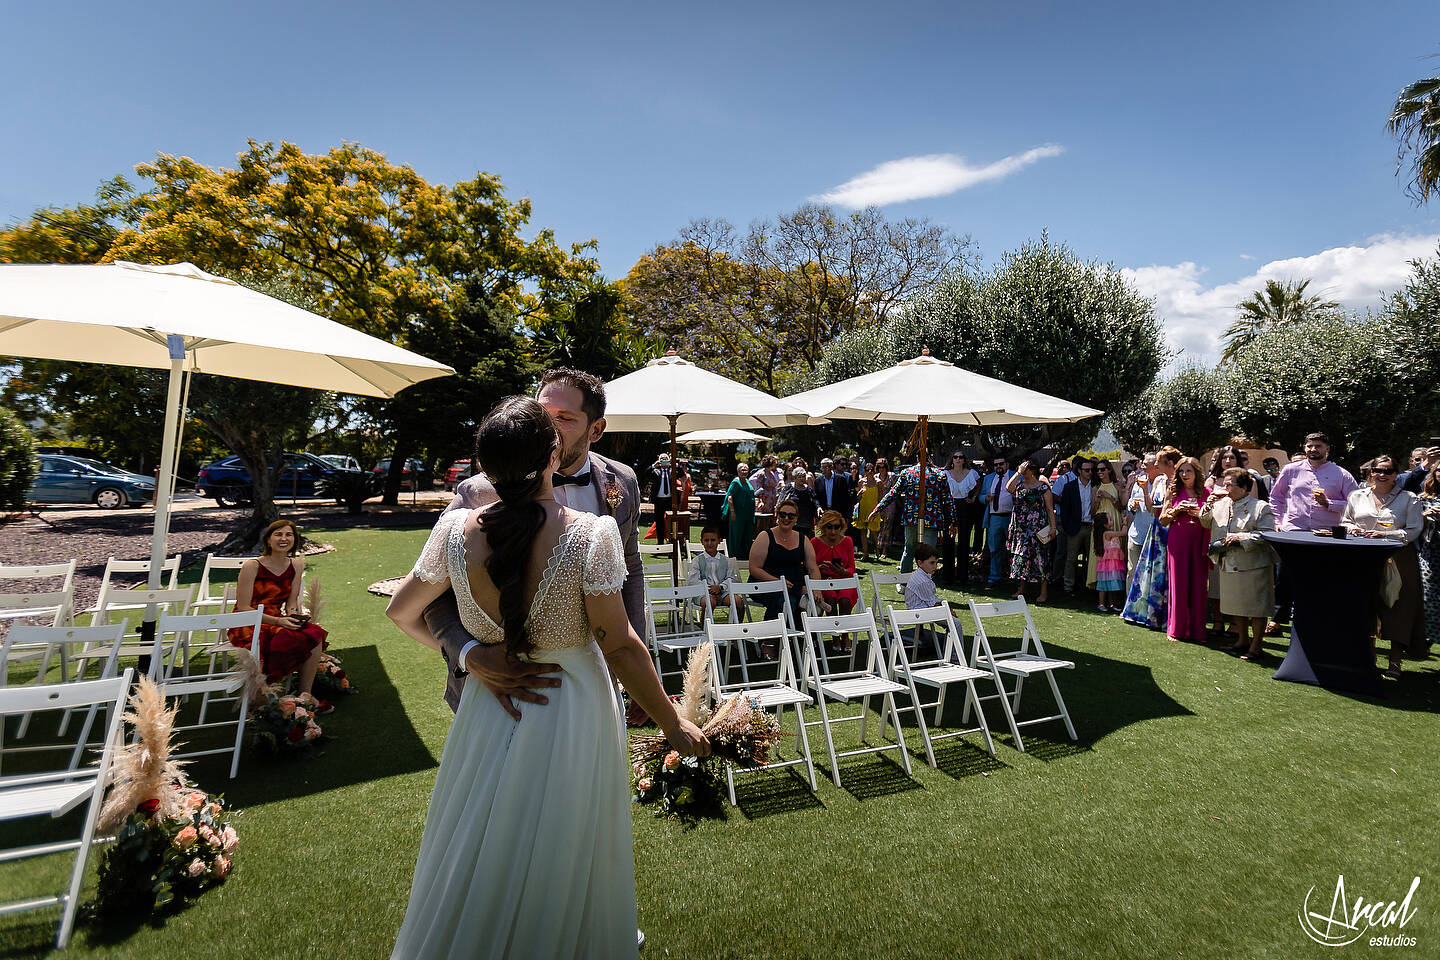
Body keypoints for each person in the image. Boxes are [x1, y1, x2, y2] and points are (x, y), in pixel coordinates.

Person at [385, 397, 708, 959]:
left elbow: (402, 613)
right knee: (568, 839)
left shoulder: (456, 530)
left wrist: (471, 656)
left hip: (490, 705)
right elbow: (622, 647)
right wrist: (675, 723)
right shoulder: (590, 535)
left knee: (480, 834)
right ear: (552, 455)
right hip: (572, 707)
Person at [425, 367, 645, 716]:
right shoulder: (482, 488)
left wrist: (635, 666)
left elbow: (630, 568)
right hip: (500, 685)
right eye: (544, 414)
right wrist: (470, 654)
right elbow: (432, 588)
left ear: (596, 429)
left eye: (565, 418)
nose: (549, 427)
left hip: (590, 685)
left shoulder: (622, 481)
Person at [1341, 454, 1426, 679]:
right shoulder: (1357, 496)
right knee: (1365, 606)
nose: (1382, 475)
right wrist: (1353, 529)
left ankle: (1395, 662)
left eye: (1388, 471)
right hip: (1363, 557)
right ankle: (1368, 659)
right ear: (1371, 473)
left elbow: (1414, 529)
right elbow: (1345, 521)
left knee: (1399, 608)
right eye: (1378, 470)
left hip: (1398, 557)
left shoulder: (1410, 498)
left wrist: (1386, 534)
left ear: (1396, 474)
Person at [1268, 432, 1358, 633]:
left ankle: (1317, 619)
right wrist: (1278, 521)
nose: (1313, 450)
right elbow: (1276, 498)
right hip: (1294, 531)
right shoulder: (1291, 470)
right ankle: (1277, 618)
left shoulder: (1341, 474)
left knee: (1319, 577)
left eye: (1318, 446)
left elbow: (1356, 504)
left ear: (1327, 449)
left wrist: (1330, 504)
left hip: (1325, 534)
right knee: (1285, 576)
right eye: (1309, 446)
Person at [229, 519, 330, 698]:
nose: (284, 538)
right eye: (278, 534)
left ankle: (305, 694)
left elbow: (291, 604)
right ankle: (264, 695)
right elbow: (244, 607)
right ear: (268, 540)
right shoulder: (252, 566)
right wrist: (278, 621)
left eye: (289, 534)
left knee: (315, 633)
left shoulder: (296, 565)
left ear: (294, 539)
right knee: (282, 638)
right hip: (247, 622)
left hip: (278, 619)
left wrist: (294, 616)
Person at [1203, 468, 1277, 660]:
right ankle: (1242, 640)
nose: (1225, 488)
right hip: (1228, 563)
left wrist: (1240, 537)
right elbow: (1204, 523)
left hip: (1253, 565)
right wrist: (1207, 505)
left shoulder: (1261, 507)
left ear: (1244, 487)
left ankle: (1256, 645)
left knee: (1256, 607)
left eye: (1229, 484)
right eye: (1224, 483)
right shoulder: (1220, 504)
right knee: (1237, 605)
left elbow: (1268, 534)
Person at [1122, 447, 1180, 629]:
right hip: (1154, 531)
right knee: (1146, 573)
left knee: (1166, 575)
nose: (1149, 465)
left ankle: (1167, 615)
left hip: (1171, 530)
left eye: (1155, 462)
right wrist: (1143, 492)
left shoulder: (1179, 481)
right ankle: (1144, 611)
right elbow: (1150, 507)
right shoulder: (1159, 482)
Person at [870, 457, 956, 574]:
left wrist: (877, 509)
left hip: (914, 519)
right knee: (927, 554)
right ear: (930, 457)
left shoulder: (908, 473)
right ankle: (916, 582)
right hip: (930, 519)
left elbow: (893, 493)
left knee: (909, 550)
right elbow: (948, 500)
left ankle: (907, 583)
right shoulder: (938, 474)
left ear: (917, 458)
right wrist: (953, 521)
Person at [1160, 456, 1211, 643]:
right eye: (1181, 471)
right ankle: (1176, 629)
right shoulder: (1173, 492)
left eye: (1188, 470)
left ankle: (1198, 631)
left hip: (1200, 539)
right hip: (1178, 540)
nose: (1184, 474)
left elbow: (1214, 519)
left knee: (1199, 585)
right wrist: (1176, 510)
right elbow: (1163, 520)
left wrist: (1200, 513)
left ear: (1196, 472)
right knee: (1178, 583)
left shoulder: (1207, 493)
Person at [748, 498, 823, 622]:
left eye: (791, 515)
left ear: (796, 518)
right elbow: (754, 568)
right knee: (786, 600)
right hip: (766, 585)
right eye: (783, 514)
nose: (786, 518)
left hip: (795, 585)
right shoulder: (764, 536)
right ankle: (771, 637)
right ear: (777, 515)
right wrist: (777, 582)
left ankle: (804, 637)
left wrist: (816, 589)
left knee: (815, 600)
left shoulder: (803, 539)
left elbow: (812, 568)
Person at [1005, 461, 1057, 603]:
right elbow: (1008, 488)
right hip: (1021, 528)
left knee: (1041, 558)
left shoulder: (1043, 488)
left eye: (1024, 469)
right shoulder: (1020, 485)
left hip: (1037, 528)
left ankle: (1043, 592)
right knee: (1022, 558)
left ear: (1032, 470)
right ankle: (1022, 588)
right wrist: (1018, 473)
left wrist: (1053, 527)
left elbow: (1049, 508)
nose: (1022, 471)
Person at [1087, 460, 1126, 611]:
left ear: (1109, 470)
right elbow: (1091, 512)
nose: (1099, 472)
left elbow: (1121, 506)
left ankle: (1114, 595)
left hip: (1114, 521)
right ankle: (1099, 589)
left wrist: (1109, 497)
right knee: (1100, 556)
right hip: (1099, 525)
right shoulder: (1095, 487)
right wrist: (1097, 499)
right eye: (1097, 470)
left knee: (1114, 557)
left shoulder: (1117, 486)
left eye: (1102, 469)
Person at [942, 451, 981, 584]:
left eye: (961, 457)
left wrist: (973, 497)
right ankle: (948, 576)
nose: (958, 459)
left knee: (964, 542)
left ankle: (962, 577)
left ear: (964, 460)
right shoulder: (945, 473)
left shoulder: (971, 473)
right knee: (948, 541)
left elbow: (979, 484)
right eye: (955, 457)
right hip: (949, 507)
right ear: (951, 459)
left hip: (965, 507)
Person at [810, 509, 859, 615]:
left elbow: (852, 569)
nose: (833, 531)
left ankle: (845, 631)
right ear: (823, 527)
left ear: (841, 527)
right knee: (830, 599)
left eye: (836, 527)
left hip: (844, 580)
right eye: (829, 527)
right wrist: (819, 569)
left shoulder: (847, 541)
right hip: (824, 581)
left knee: (845, 600)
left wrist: (843, 571)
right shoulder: (815, 542)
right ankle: (833, 629)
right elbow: (809, 567)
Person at [1057, 458, 1095, 593]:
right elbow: (1065, 510)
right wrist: (1068, 527)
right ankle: (1068, 586)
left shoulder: (1095, 486)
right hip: (1075, 527)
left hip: (1091, 527)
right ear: (1079, 471)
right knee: (1071, 559)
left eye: (1091, 470)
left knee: (1090, 559)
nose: (1090, 472)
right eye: (1087, 470)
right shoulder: (1070, 487)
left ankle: (1087, 585)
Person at [903, 543, 945, 659]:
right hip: (920, 613)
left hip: (922, 609)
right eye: (932, 563)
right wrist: (946, 610)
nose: (935, 566)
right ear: (920, 563)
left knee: (950, 618)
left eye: (936, 563)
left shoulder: (922, 575)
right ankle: (954, 654)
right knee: (955, 623)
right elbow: (932, 603)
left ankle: (948, 649)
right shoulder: (923, 581)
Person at [981, 457, 1016, 588]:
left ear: (1007, 464)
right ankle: (994, 577)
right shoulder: (988, 478)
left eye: (1001, 464)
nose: (998, 466)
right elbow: (981, 496)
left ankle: (1015, 577)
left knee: (1013, 548)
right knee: (994, 548)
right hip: (994, 517)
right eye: (995, 465)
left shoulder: (1016, 476)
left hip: (1011, 517)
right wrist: (985, 498)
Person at [686, 524, 736, 615]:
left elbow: (731, 578)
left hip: (723, 592)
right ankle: (705, 628)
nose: (709, 543)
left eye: (713, 540)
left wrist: (720, 587)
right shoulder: (697, 560)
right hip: (703, 593)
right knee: (710, 602)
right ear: (702, 542)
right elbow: (693, 581)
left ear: (719, 541)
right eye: (706, 540)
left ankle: (736, 627)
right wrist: (710, 589)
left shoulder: (726, 561)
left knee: (738, 602)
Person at [1417, 464, 1440, 650]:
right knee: (1429, 598)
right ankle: (1426, 639)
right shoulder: (1424, 498)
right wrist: (1424, 516)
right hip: (1430, 555)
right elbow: (1412, 525)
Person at [723, 462, 756, 561]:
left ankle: (745, 554)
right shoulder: (736, 482)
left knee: (747, 534)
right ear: (738, 471)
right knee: (737, 534)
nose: (745, 471)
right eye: (742, 470)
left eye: (746, 469)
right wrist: (732, 511)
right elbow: (730, 497)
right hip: (738, 513)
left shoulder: (747, 481)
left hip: (748, 513)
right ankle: (735, 555)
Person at [777, 466, 820, 536]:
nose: (802, 479)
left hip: (806, 523)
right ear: (794, 478)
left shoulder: (809, 490)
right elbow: (780, 502)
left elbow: (815, 501)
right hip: (791, 522)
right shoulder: (789, 488)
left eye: (804, 476)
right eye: (800, 477)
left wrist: (818, 507)